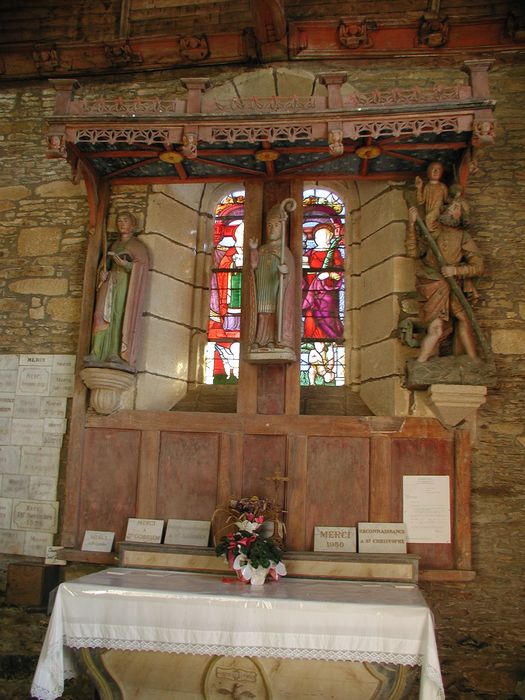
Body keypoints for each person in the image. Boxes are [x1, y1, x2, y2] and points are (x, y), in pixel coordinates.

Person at [406, 199, 484, 363]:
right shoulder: (433, 232)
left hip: (453, 284)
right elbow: (413, 252)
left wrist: (455, 270)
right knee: (437, 328)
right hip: (433, 284)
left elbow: (478, 265)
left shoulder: (463, 236)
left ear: (461, 216)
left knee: (464, 319)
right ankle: (421, 362)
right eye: (451, 207)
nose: (452, 210)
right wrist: (412, 225)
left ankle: (473, 359)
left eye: (457, 208)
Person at [85, 211, 149, 370]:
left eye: (125, 221)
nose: (121, 224)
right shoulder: (114, 245)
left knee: (117, 316)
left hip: (124, 282)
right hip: (110, 281)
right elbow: (103, 265)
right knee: (100, 314)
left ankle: (115, 353)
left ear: (133, 225)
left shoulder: (137, 246)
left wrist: (125, 264)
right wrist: (103, 272)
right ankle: (96, 352)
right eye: (119, 221)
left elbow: (141, 268)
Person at [248, 198, 296, 351]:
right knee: (262, 313)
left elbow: (290, 274)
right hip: (263, 288)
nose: (272, 229)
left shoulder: (285, 252)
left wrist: (285, 272)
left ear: (283, 228)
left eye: (276, 225)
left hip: (275, 290)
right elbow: (254, 266)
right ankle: (260, 340)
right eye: (269, 226)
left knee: (273, 313)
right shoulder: (262, 249)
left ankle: (273, 340)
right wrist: (254, 250)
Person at [415, 161, 449, 229]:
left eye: (438, 169)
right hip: (429, 210)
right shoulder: (427, 187)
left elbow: (447, 200)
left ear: (441, 173)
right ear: (428, 173)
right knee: (428, 220)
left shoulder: (442, 186)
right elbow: (421, 201)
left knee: (428, 218)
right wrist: (419, 188)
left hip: (438, 210)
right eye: (433, 169)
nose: (436, 171)